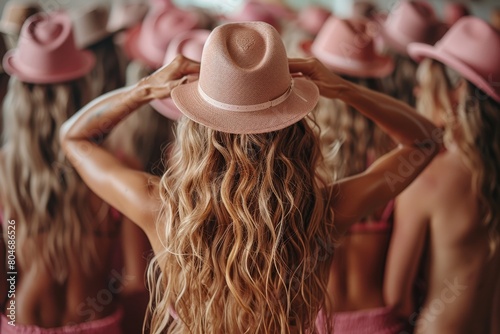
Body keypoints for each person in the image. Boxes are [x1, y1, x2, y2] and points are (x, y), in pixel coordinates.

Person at [60, 21, 440, 333]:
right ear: (293, 130)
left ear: (198, 129)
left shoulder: (164, 211)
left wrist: (144, 89)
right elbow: (425, 141)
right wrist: (342, 88)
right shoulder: (319, 215)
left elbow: (74, 138)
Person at [0, 11, 131, 333]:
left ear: (18, 95)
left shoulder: (3, 170)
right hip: (96, 319)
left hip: (22, 319)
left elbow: (5, 279)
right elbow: (135, 279)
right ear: (84, 89)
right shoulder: (116, 166)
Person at [384, 16, 500, 333]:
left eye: (429, 81)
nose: (419, 91)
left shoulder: (427, 177)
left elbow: (397, 299)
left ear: (458, 91)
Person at [308, 17, 409, 333]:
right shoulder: (397, 160)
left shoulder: (307, 166)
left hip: (317, 319)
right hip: (381, 318)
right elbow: (425, 138)